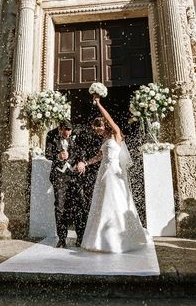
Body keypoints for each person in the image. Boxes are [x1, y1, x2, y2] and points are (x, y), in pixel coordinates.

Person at [80, 96, 148, 253]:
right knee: (101, 202)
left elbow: (109, 118)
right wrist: (86, 163)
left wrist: (98, 104)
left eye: (98, 127)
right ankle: (100, 238)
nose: (96, 131)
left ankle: (117, 238)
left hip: (114, 172)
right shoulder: (105, 139)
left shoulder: (116, 134)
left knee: (115, 200)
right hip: (103, 172)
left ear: (104, 125)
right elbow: (99, 156)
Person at [45, 120, 88, 248]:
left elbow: (82, 151)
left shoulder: (77, 135)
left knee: (78, 205)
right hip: (59, 175)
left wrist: (81, 161)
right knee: (60, 206)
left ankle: (80, 237)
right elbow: (47, 154)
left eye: (70, 131)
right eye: (65, 131)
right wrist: (58, 156)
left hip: (74, 174)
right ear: (60, 128)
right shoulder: (51, 135)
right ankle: (62, 238)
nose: (68, 134)